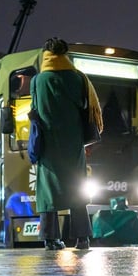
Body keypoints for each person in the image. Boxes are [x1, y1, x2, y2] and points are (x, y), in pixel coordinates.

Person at [30, 37, 102, 250]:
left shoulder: (38, 81)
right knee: (77, 188)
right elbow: (83, 105)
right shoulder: (78, 78)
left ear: (46, 55)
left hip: (48, 143)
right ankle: (82, 238)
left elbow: (35, 108)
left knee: (47, 191)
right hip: (73, 141)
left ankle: (50, 238)